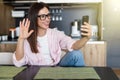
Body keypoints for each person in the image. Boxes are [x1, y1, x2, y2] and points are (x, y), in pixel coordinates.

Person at [13, 2, 92, 67]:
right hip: (37, 71)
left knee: (76, 54)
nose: (47, 19)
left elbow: (74, 45)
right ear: (34, 18)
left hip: (56, 68)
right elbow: (19, 63)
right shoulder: (27, 38)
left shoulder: (55, 34)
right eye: (43, 16)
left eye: (48, 16)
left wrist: (86, 38)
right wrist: (21, 39)